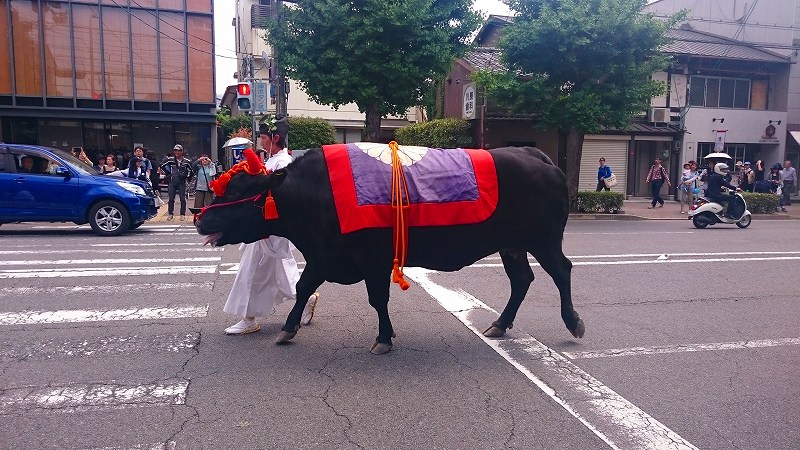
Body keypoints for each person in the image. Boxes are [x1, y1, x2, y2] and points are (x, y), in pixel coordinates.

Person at [223, 116, 320, 335]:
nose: (261, 141)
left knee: (252, 272)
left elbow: (281, 197)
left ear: (275, 138)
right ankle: (306, 298)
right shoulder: (272, 160)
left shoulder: (282, 162)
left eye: (264, 137)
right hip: (264, 226)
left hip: (268, 227)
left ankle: (249, 319)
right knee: (280, 271)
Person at [159, 144, 194, 221]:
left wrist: (188, 177)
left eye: (178, 151)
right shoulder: (170, 160)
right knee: (171, 199)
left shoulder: (187, 161)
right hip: (172, 182)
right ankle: (170, 214)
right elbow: (161, 165)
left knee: (182, 199)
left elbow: (192, 170)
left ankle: (182, 214)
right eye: (175, 150)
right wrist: (168, 173)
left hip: (181, 182)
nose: (177, 152)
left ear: (182, 151)